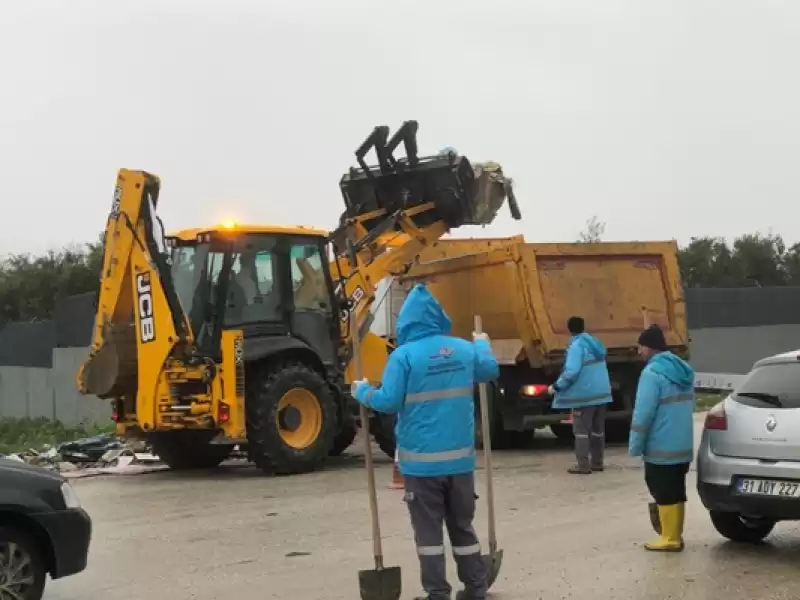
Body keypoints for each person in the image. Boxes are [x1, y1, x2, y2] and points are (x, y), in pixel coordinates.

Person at [352, 283, 499, 600]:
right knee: (463, 526)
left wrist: (361, 391)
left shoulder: (404, 356)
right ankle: (476, 586)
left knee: (429, 534)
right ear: (438, 316)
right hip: (461, 463)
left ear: (405, 322)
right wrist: (483, 344)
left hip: (421, 466)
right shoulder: (463, 349)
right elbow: (489, 369)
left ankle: (437, 594)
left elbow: (389, 402)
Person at [628, 324, 695, 552]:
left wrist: (635, 445)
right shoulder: (684, 370)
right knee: (676, 490)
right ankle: (675, 534)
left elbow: (643, 413)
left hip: (660, 446)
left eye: (641, 347)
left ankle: (669, 537)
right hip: (681, 445)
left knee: (661, 489)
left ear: (650, 348)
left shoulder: (652, 373)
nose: (639, 352)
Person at [547, 316, 613, 475]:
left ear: (569, 329)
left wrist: (557, 386)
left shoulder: (577, 346)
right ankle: (597, 462)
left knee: (581, 430)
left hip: (585, 396)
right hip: (602, 394)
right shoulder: (595, 343)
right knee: (598, 430)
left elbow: (571, 372)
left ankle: (583, 465)